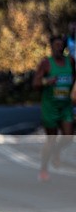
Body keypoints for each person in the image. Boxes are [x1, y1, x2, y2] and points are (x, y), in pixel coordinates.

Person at [32, 35, 74, 181]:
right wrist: (46, 81)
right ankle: (43, 169)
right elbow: (35, 83)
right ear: (51, 47)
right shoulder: (46, 63)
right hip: (50, 107)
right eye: (55, 46)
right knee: (51, 139)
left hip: (65, 106)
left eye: (61, 45)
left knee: (69, 136)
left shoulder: (70, 62)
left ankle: (56, 151)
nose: (59, 48)